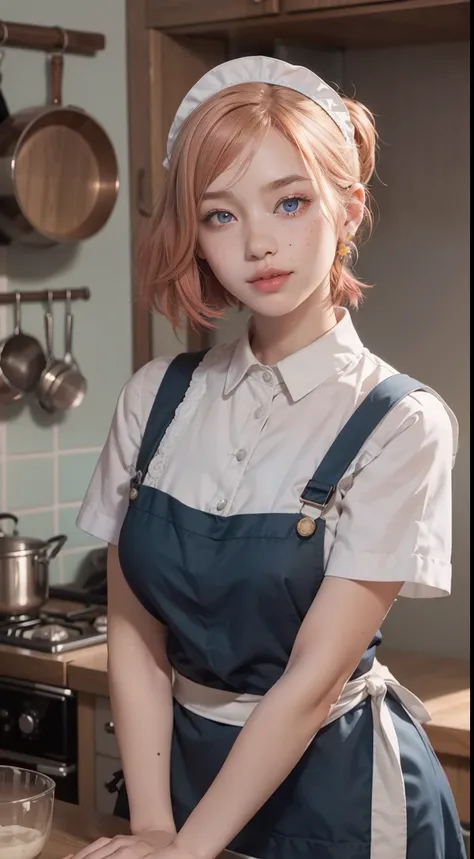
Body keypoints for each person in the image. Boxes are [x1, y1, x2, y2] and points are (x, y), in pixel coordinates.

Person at [74, 56, 466, 859]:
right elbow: (134, 628)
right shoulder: (154, 399)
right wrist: (156, 826)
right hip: (183, 782)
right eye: (220, 216)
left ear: (349, 209)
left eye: (290, 202)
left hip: (342, 798)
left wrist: (187, 851)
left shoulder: (400, 422)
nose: (258, 243)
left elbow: (311, 681)